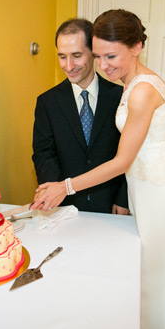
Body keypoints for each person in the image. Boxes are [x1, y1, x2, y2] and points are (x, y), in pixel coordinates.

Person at [32, 9, 165, 329]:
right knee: (147, 280)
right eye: (100, 55)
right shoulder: (132, 84)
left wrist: (66, 186)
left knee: (154, 282)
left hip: (153, 197)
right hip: (146, 191)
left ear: (136, 47)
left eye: (110, 56)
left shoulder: (138, 90)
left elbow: (122, 160)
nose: (103, 64)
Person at [32, 18, 128, 214]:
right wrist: (52, 193)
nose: (68, 66)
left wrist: (123, 198)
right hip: (65, 205)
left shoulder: (120, 97)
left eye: (76, 55)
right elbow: (44, 154)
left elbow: (131, 155)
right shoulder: (47, 102)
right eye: (62, 56)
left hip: (111, 204)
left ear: (93, 53)